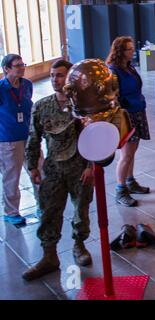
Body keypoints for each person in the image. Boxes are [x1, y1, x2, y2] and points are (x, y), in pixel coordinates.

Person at [22, 59, 95, 281]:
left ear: (70, 78)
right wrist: (33, 165)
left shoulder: (82, 105)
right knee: (49, 212)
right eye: (53, 75)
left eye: (60, 75)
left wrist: (90, 165)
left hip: (79, 167)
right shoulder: (42, 106)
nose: (55, 79)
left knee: (80, 211)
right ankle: (49, 256)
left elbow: (94, 137)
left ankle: (79, 246)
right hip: (53, 168)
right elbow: (33, 137)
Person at [106, 36, 150, 207]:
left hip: (137, 110)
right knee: (126, 154)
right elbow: (112, 97)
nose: (133, 51)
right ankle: (120, 189)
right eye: (129, 49)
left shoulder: (129, 67)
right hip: (127, 115)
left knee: (132, 152)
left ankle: (130, 181)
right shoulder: (113, 70)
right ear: (120, 51)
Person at [0, 54, 33, 225]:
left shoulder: (27, 85)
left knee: (38, 169)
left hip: (28, 134)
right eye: (17, 65)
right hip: (8, 139)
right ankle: (11, 212)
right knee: (12, 176)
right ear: (6, 69)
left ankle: (44, 204)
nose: (22, 67)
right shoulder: (1, 88)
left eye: (23, 64)